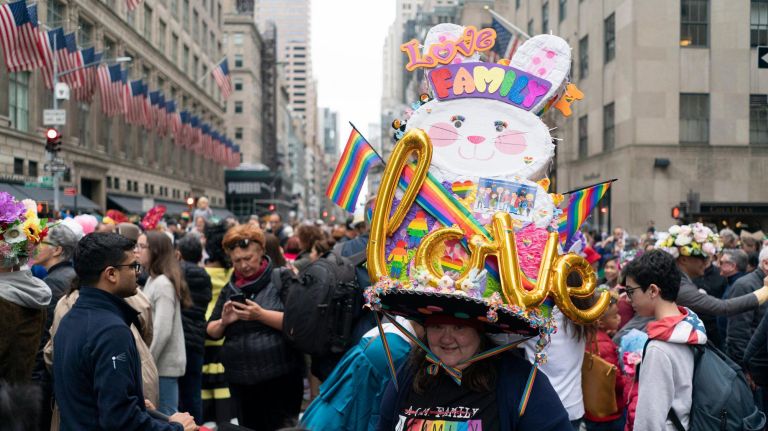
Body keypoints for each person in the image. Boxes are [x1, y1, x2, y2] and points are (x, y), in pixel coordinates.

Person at [52, 232, 196, 430]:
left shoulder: (71, 319)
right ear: (111, 274)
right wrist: (178, 428)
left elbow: (90, 395)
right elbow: (120, 420)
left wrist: (135, 403)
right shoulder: (111, 331)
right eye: (133, 266)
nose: (138, 272)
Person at [377, 317, 571, 430]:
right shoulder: (410, 370)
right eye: (437, 326)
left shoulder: (519, 380)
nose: (446, 338)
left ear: (480, 330)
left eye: (459, 327)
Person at [206, 224, 303, 431]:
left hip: (280, 378)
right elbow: (211, 331)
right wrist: (224, 321)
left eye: (248, 258)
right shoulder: (230, 288)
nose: (243, 265)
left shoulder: (281, 279)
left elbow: (297, 323)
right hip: (241, 382)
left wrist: (260, 315)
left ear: (261, 252)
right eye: (237, 261)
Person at [625, 249, 707, 431]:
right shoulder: (690, 324)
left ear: (653, 290)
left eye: (631, 291)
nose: (628, 298)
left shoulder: (659, 348)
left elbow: (649, 421)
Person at [300, 316, 419, 431]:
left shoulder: (388, 329)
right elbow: (379, 413)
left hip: (329, 413)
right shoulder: (400, 351)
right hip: (346, 419)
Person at [30, 223, 80, 431]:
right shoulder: (70, 276)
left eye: (42, 242)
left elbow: (45, 336)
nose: (35, 246)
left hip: (48, 379)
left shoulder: (53, 284)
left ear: (57, 250)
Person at [137, 231, 192, 415]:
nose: (138, 251)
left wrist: (147, 362)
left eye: (142, 246)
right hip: (158, 364)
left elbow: (162, 330)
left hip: (164, 366)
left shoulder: (162, 284)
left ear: (156, 251)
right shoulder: (153, 280)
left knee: (167, 415)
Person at [200, 222, 236, 424]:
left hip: (204, 333)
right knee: (224, 389)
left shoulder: (200, 272)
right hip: (224, 332)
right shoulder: (234, 274)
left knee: (204, 389)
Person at [176, 235, 213, 425]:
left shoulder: (177, 272)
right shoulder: (205, 275)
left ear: (179, 253)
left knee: (178, 394)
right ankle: (196, 425)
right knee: (193, 391)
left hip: (180, 338)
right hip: (197, 338)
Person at [727, 247, 768, 412]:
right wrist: (746, 371)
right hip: (754, 372)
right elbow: (737, 334)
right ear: (766, 263)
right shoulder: (746, 285)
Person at [584, 293, 626, 431]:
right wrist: (630, 381)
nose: (619, 318)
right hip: (609, 412)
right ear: (601, 322)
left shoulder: (589, 337)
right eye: (615, 316)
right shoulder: (604, 345)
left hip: (592, 408)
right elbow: (615, 378)